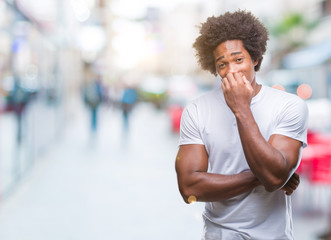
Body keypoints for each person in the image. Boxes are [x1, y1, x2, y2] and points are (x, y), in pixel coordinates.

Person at [175, 10, 308, 240]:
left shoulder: (289, 106)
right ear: (214, 68)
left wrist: (241, 108)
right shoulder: (197, 110)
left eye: (238, 59)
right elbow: (189, 189)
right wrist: (261, 177)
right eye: (222, 64)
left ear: (255, 58)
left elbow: (275, 178)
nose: (232, 70)